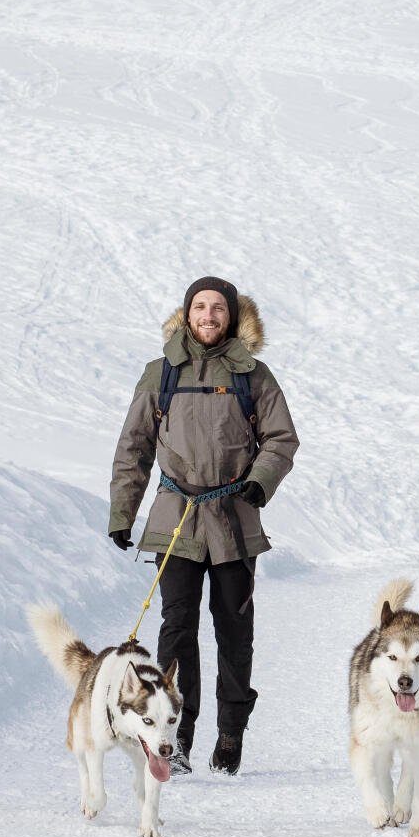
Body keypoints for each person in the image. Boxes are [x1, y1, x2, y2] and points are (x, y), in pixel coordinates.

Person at [107, 277, 299, 776]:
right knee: (176, 630)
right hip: (176, 519)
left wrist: (259, 482)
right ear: (187, 313)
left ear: (231, 317)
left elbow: (281, 439)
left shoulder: (254, 376)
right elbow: (134, 446)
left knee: (235, 633)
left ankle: (231, 731)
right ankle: (180, 735)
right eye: (199, 307)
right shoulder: (161, 373)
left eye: (218, 308)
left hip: (235, 519)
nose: (208, 316)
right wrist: (123, 514)